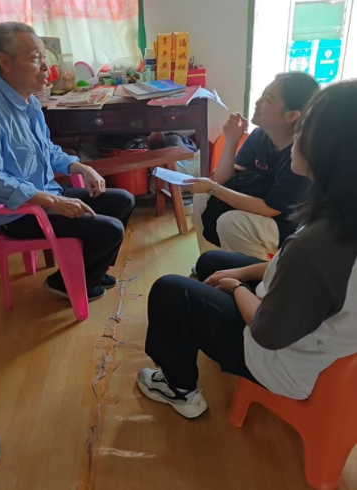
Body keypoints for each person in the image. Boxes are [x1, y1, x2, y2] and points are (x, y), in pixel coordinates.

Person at [137, 80, 357, 419]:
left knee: (168, 291)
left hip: (282, 361)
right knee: (211, 262)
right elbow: (293, 272)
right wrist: (242, 272)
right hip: (308, 333)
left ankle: (178, 389)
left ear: (330, 151)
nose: (298, 136)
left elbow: (268, 332)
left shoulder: (316, 245)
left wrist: (236, 287)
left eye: (307, 129)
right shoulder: (338, 212)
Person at [0, 22, 134, 303]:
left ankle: (91, 270)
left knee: (123, 200)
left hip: (48, 193)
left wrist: (80, 167)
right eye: (35, 59)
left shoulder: (30, 102)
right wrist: (52, 201)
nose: (46, 67)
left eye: (44, 57)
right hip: (17, 213)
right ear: (5, 62)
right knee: (110, 229)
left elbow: (48, 150)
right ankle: (63, 283)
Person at [189, 73, 320, 263]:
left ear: (291, 115)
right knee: (203, 197)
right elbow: (223, 180)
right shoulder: (260, 135)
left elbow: (270, 209)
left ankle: (254, 273)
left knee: (232, 222)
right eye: (262, 95)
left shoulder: (302, 154)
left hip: (288, 223)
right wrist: (231, 141)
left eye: (268, 99)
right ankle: (210, 263)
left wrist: (213, 188)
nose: (258, 103)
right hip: (259, 204)